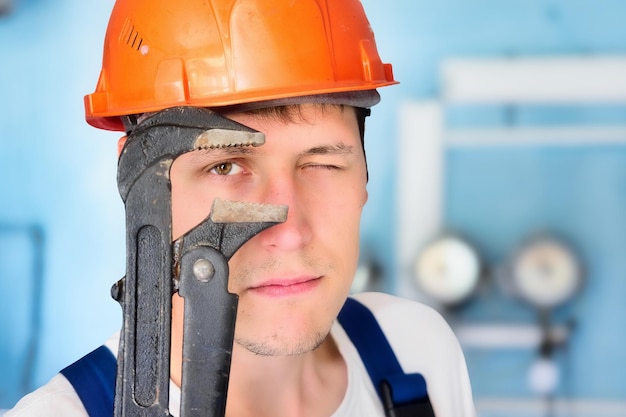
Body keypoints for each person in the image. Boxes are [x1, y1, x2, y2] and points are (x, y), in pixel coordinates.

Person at [6, 0, 476, 416]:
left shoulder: (417, 353)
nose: (288, 232)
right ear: (139, 185)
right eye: (226, 166)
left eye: (323, 163)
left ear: (364, 177)